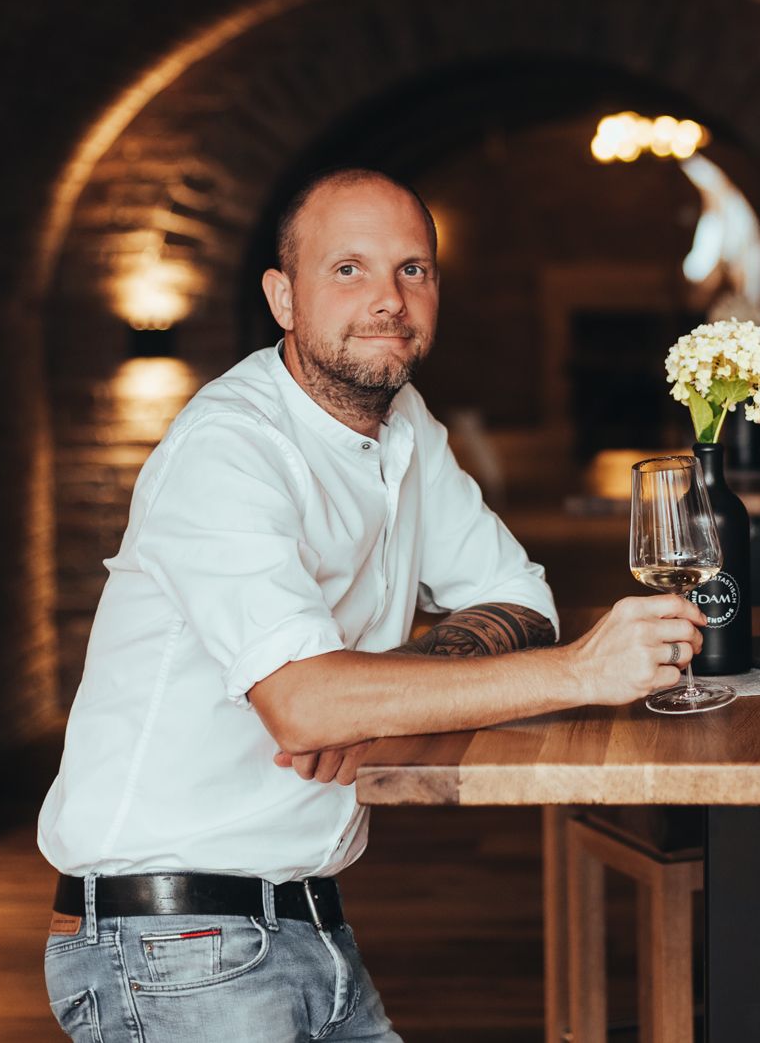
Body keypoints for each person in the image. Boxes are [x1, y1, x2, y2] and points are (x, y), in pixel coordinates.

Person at [39, 168, 706, 1042]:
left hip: (302, 921)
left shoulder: (405, 423)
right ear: (283, 296)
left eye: (413, 270)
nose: (388, 298)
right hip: (170, 942)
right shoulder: (228, 447)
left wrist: (376, 696)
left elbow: (520, 598)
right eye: (347, 269)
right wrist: (580, 670)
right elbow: (306, 705)